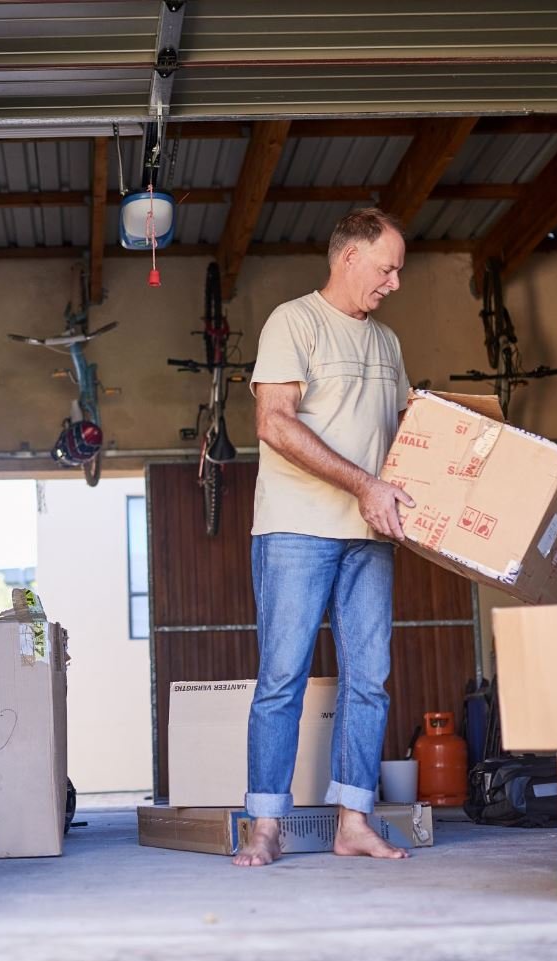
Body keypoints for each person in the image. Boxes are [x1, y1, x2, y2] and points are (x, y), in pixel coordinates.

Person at [233, 207, 414, 868]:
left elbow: (402, 440)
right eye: (387, 267)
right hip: (296, 527)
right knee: (282, 676)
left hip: (370, 534)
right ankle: (266, 825)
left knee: (370, 679)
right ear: (349, 258)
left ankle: (354, 821)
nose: (394, 282)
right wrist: (363, 483)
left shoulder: (388, 344)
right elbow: (274, 422)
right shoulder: (294, 321)